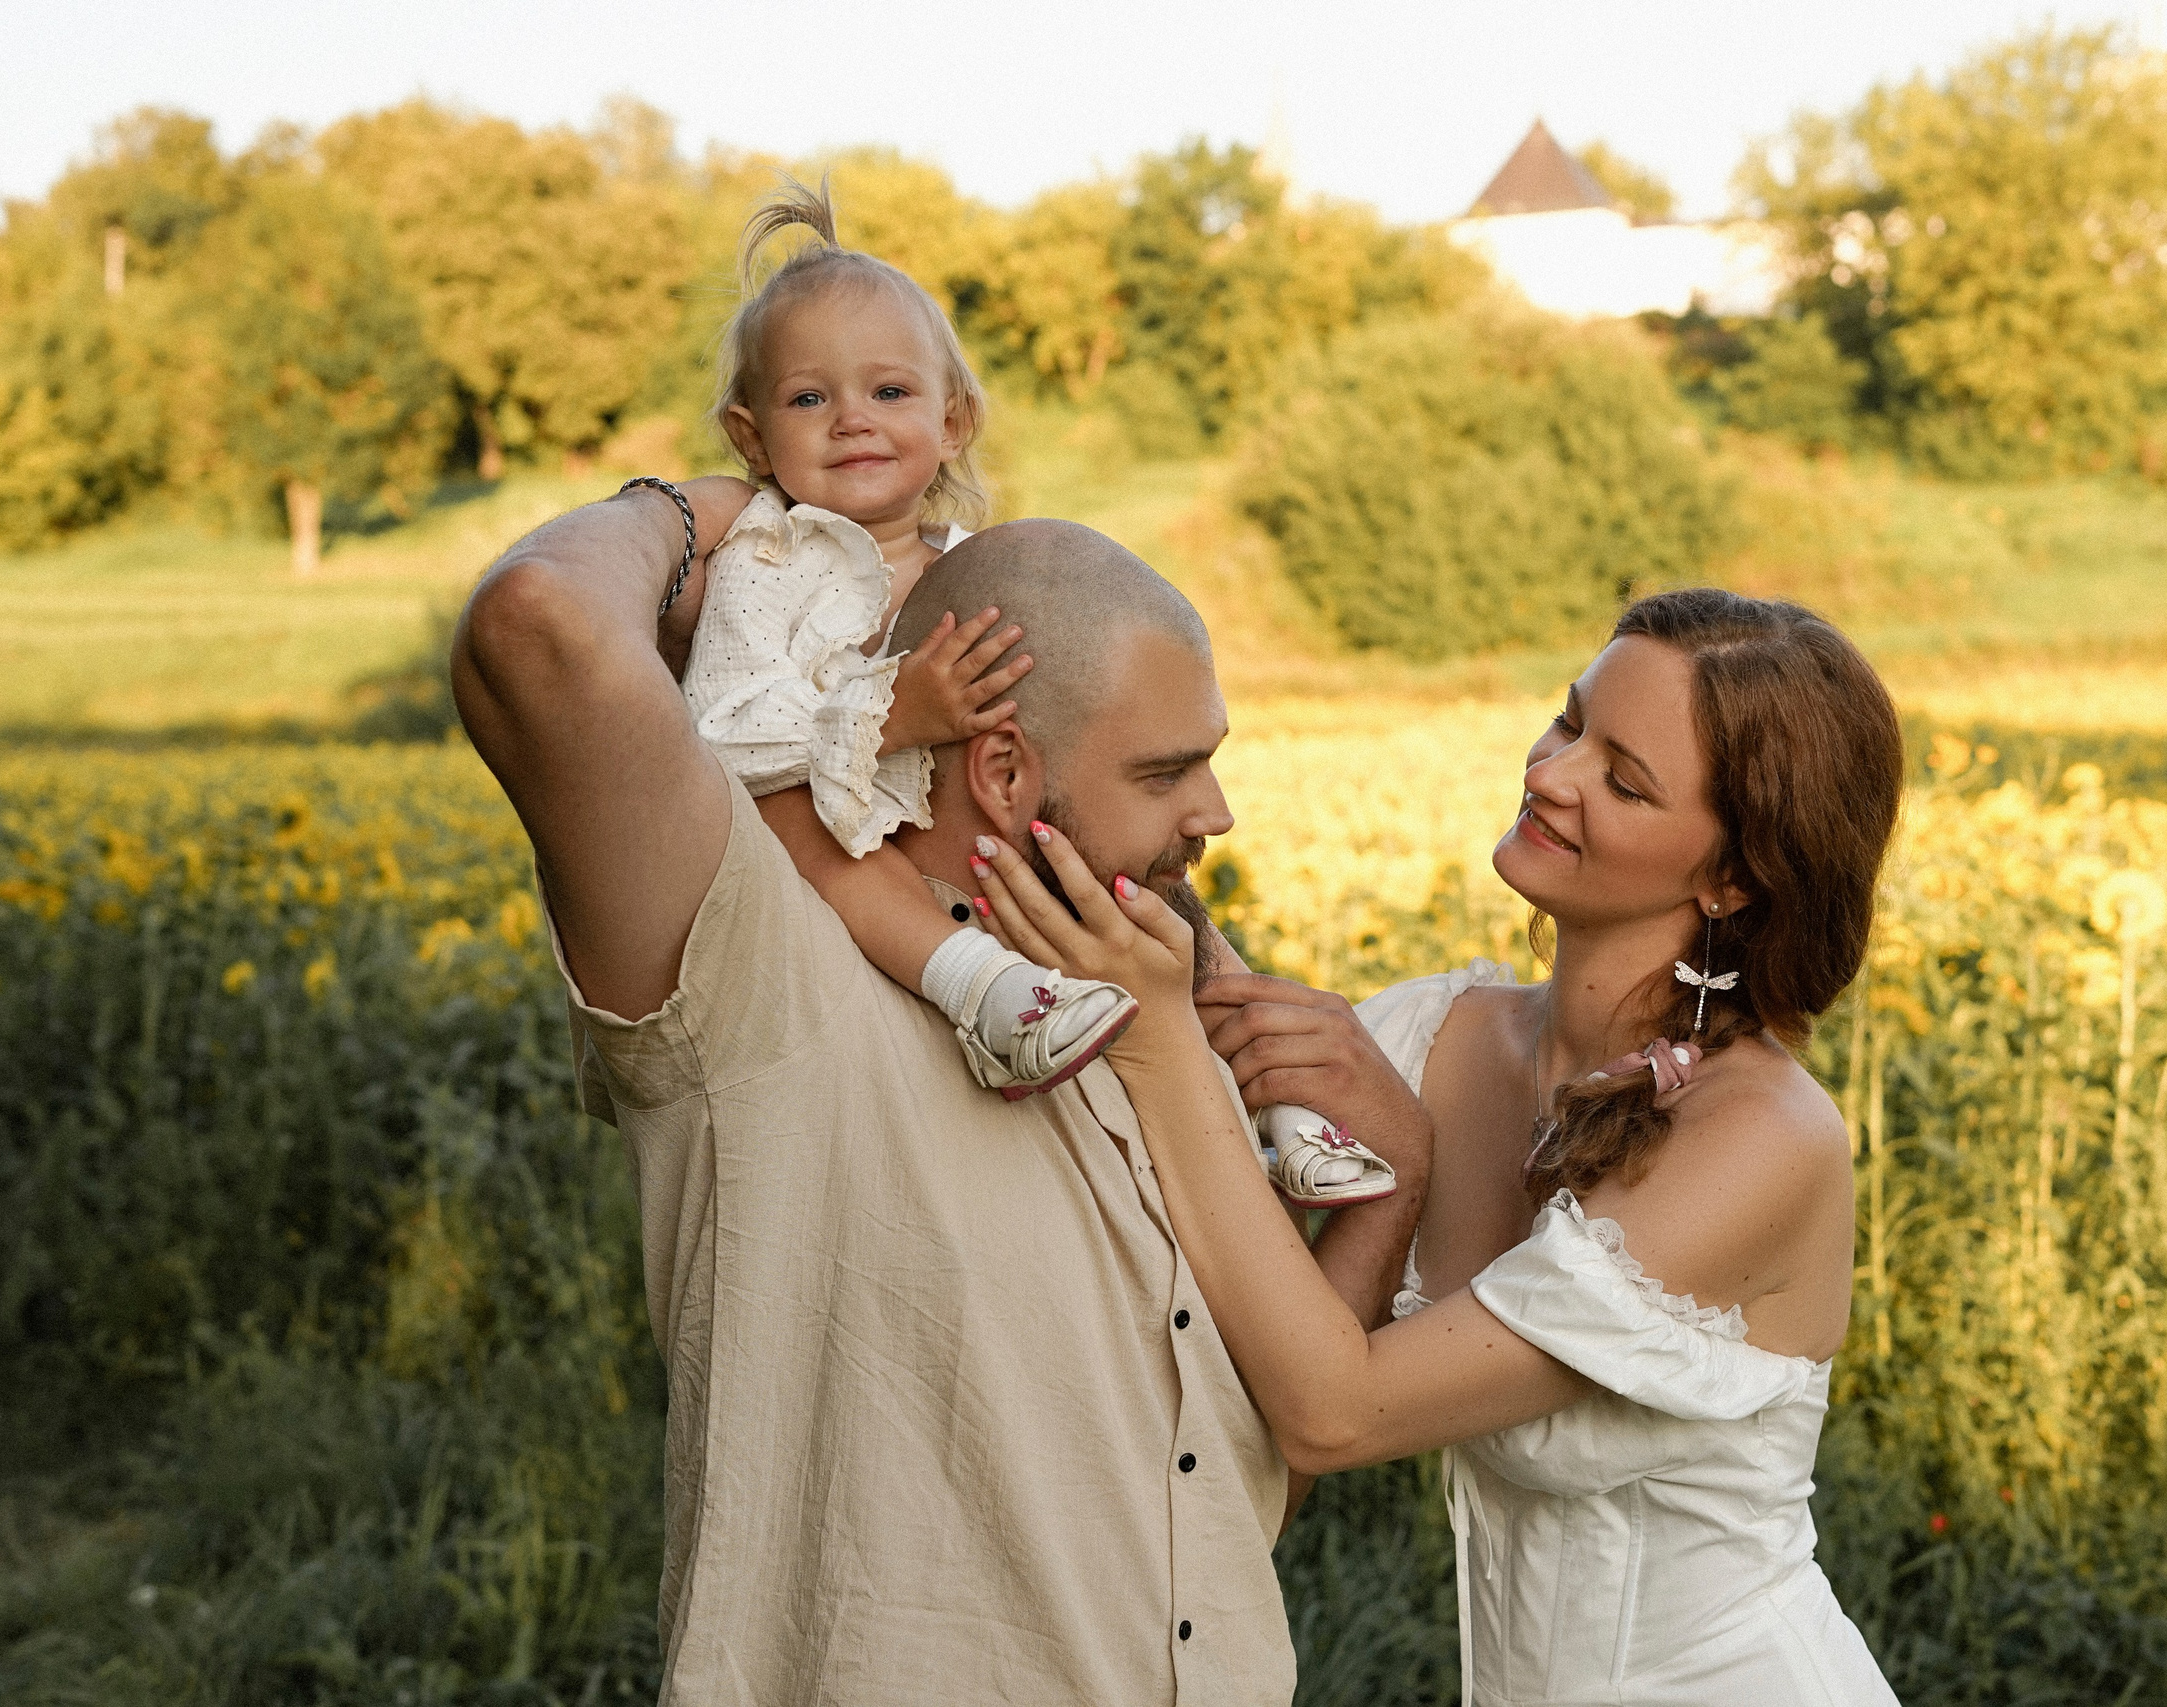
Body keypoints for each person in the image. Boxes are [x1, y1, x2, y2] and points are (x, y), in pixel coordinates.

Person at [451, 487, 1432, 1703]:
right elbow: (538, 625)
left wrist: (1388, 1193)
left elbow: (1233, 1476)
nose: (1214, 815)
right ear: (1007, 769)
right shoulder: (771, 966)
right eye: (1169, 771)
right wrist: (723, 515)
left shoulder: (1150, 1006)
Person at [968, 588, 1906, 1704]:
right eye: (1569, 723)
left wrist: (1169, 1042)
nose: (1549, 775)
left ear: (1734, 877)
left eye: (1622, 778)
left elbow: (1336, 1410)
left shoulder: (1759, 1141)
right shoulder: (1432, 1035)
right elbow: (1264, 1440)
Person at [679, 180, 1389, 1202]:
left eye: (888, 393)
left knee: (1172, 912)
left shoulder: (978, 564)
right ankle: (983, 997)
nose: (851, 424)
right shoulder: (768, 568)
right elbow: (725, 736)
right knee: (810, 835)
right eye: (807, 399)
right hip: (845, 839)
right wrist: (894, 715)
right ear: (751, 439)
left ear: (954, 420)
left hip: (991, 845)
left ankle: (1286, 1112)